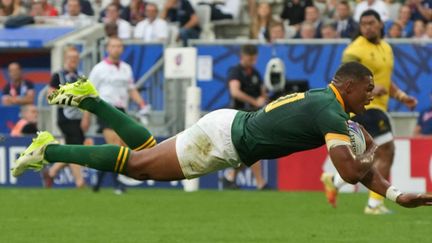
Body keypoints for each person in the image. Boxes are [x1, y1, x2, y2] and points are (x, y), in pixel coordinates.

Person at [12, 62, 432, 210]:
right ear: (352, 84)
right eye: (370, 86)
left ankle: (90, 100)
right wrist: (373, 153)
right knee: (139, 167)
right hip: (225, 141)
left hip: (228, 125)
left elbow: (353, 168)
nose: (373, 92)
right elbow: (347, 169)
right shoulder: (331, 110)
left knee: (146, 151)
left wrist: (394, 194)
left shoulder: (330, 103)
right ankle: (49, 149)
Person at [320, 10, 418, 215]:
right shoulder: (355, 50)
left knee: (371, 156)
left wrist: (401, 96)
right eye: (363, 24)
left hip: (378, 107)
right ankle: (374, 205)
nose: (367, 27)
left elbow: (385, 80)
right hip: (362, 107)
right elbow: (343, 80)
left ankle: (334, 182)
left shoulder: (386, 48)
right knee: (387, 150)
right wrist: (371, 90)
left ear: (381, 24)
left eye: (371, 23)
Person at [85, 36, 150, 194]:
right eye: (113, 46)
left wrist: (142, 104)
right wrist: (86, 115)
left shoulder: (126, 68)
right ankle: (117, 185)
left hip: (121, 110)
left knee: (119, 147)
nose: (117, 49)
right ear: (108, 48)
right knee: (115, 146)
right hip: (106, 109)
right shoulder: (99, 69)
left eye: (119, 46)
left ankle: (98, 184)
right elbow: (88, 92)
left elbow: (131, 89)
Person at [41, 46, 86, 189]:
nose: (73, 61)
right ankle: (80, 182)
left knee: (73, 148)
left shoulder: (81, 77)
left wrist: (87, 117)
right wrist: (69, 98)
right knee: (75, 148)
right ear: (66, 59)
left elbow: (88, 99)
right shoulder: (58, 76)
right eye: (71, 58)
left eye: (75, 58)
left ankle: (52, 172)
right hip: (65, 117)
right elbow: (50, 96)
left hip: (78, 117)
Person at [224, 44, 268, 190]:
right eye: (250, 58)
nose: (253, 61)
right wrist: (255, 101)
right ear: (242, 57)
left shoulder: (255, 73)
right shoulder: (235, 72)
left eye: (254, 58)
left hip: (254, 116)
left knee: (248, 151)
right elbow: (235, 92)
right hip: (238, 116)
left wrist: (263, 99)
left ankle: (230, 176)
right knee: (252, 148)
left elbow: (263, 92)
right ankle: (260, 182)